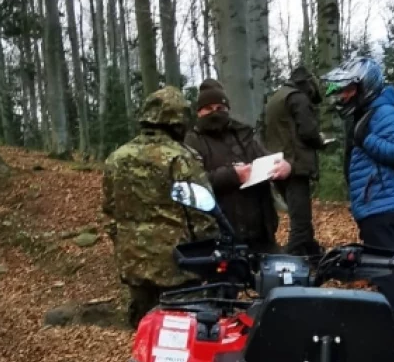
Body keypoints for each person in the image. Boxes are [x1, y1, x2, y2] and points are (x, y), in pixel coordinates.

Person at [323, 57, 394, 342]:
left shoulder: (382, 111)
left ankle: (385, 330)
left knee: (381, 269)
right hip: (376, 202)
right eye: (341, 90)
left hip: (383, 203)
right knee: (392, 263)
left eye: (349, 89)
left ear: (365, 86)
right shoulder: (367, 112)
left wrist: (366, 139)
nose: (343, 95)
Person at [102, 86, 217, 328]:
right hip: (178, 267)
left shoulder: (117, 158)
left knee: (144, 334)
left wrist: (124, 245)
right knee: (181, 335)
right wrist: (208, 255)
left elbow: (110, 209)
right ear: (177, 123)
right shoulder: (181, 158)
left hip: (133, 263)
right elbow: (203, 213)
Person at [185, 79, 290, 253]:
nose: (215, 113)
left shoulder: (244, 136)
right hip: (220, 236)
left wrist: (285, 166)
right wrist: (232, 175)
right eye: (209, 109)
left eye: (220, 108)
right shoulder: (192, 141)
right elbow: (192, 183)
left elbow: (269, 160)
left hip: (261, 233)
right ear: (199, 112)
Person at [264, 67, 325, 256]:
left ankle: (313, 255)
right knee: (300, 224)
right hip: (294, 166)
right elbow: (308, 131)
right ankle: (288, 264)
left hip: (276, 164)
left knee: (300, 218)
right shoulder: (297, 97)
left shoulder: (276, 98)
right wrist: (320, 140)